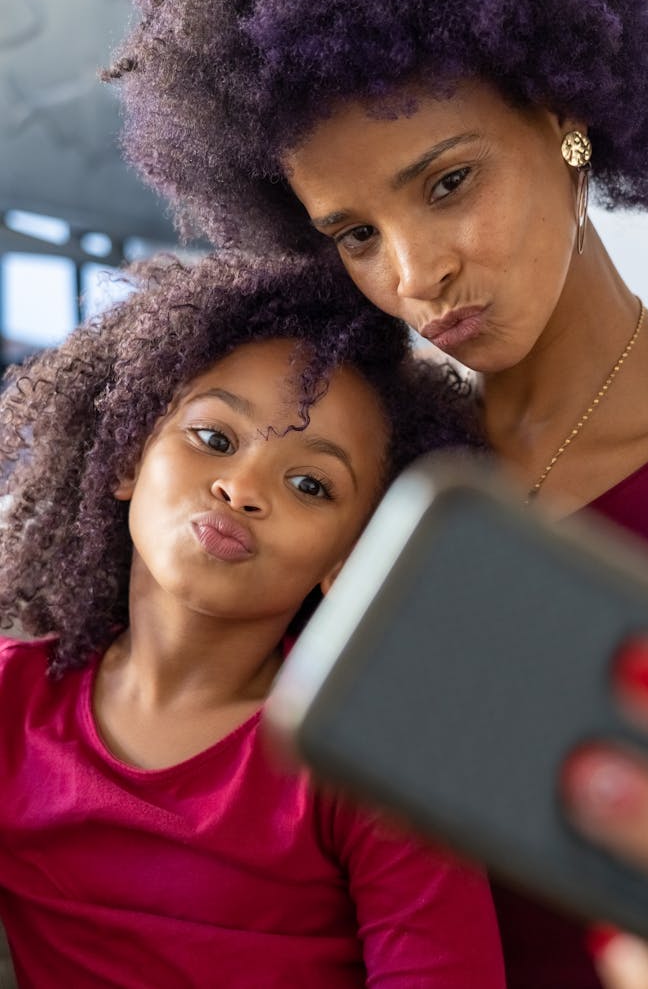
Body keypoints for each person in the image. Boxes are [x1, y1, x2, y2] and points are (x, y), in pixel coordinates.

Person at [106, 0, 648, 985]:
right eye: (354, 233)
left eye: (448, 182)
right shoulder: (356, 481)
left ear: (565, 116)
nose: (416, 274)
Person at [0, 251, 506, 988]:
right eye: (213, 438)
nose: (241, 488)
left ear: (353, 557)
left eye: (310, 483)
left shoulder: (368, 756)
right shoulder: (13, 700)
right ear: (126, 459)